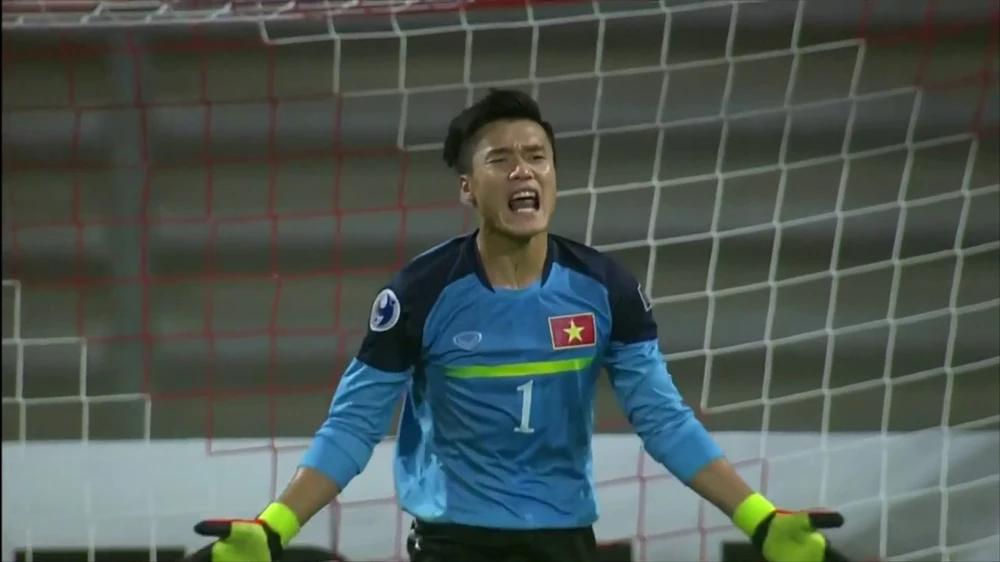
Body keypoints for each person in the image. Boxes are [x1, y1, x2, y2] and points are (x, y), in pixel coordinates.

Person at [186, 89, 849, 562]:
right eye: (500, 159)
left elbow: (664, 421)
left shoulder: (607, 289)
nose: (523, 169)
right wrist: (273, 529)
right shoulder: (419, 294)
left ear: (554, 176)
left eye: (536, 155)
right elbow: (353, 427)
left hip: (565, 541)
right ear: (468, 188)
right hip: (453, 543)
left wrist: (761, 521)